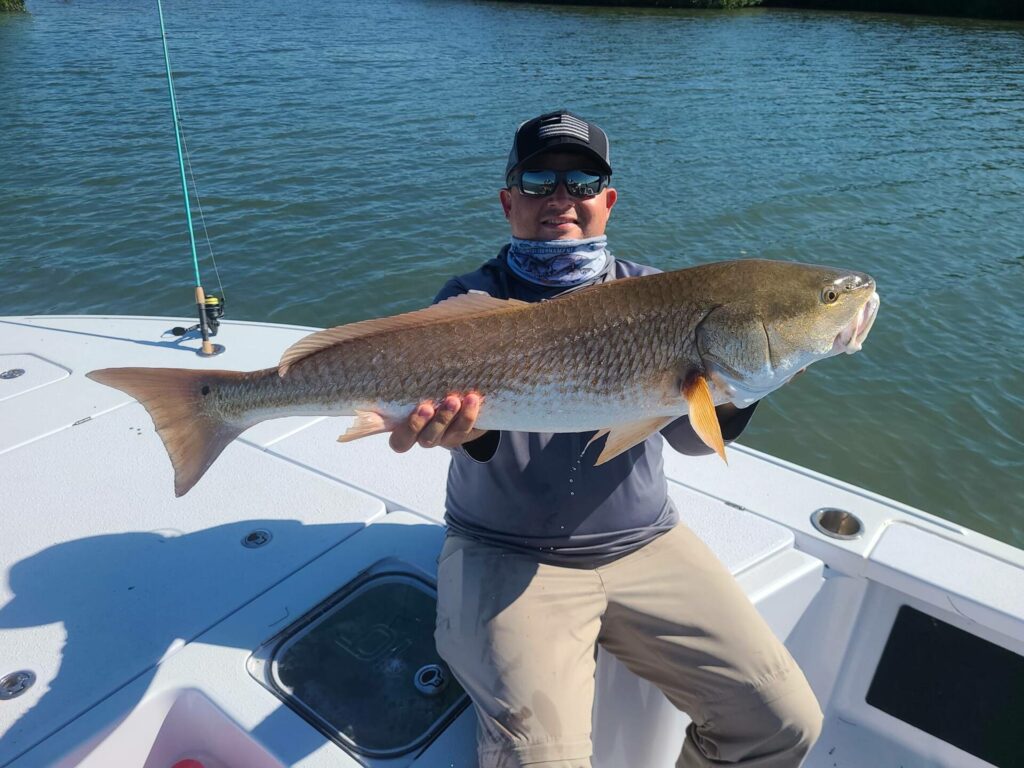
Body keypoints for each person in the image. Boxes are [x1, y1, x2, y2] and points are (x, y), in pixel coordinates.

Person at [389, 110, 823, 768]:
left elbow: (689, 443)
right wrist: (464, 435)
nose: (560, 197)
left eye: (582, 180)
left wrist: (746, 385)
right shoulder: (469, 301)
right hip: (506, 552)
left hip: (645, 541)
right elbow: (469, 432)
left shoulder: (655, 293)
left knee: (785, 723)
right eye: (537, 180)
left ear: (607, 201)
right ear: (508, 202)